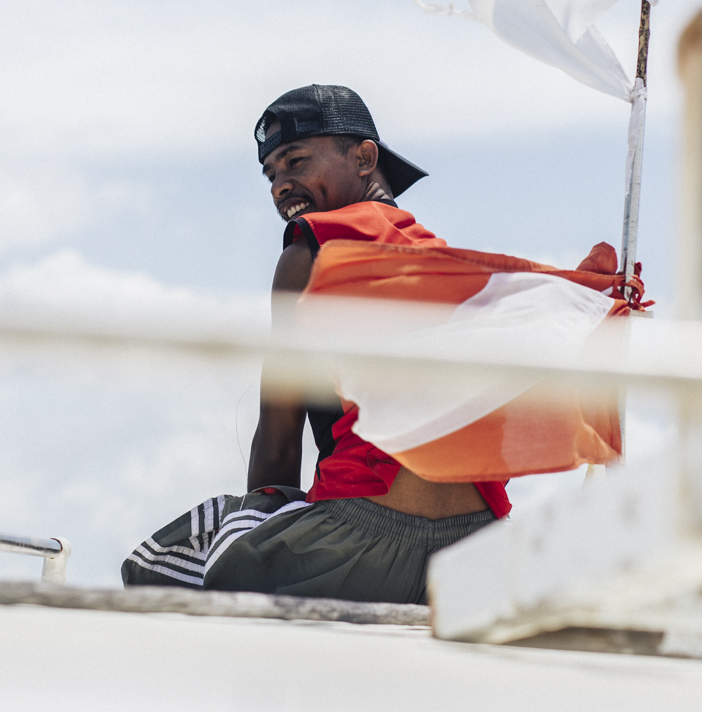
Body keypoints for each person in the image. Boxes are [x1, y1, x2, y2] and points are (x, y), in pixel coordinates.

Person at [121, 84, 506, 604]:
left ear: (365, 157)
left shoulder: (314, 249)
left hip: (363, 539)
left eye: (296, 161)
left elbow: (279, 441)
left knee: (157, 565)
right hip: (471, 553)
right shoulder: (455, 268)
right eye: (271, 174)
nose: (281, 185)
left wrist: (265, 522)